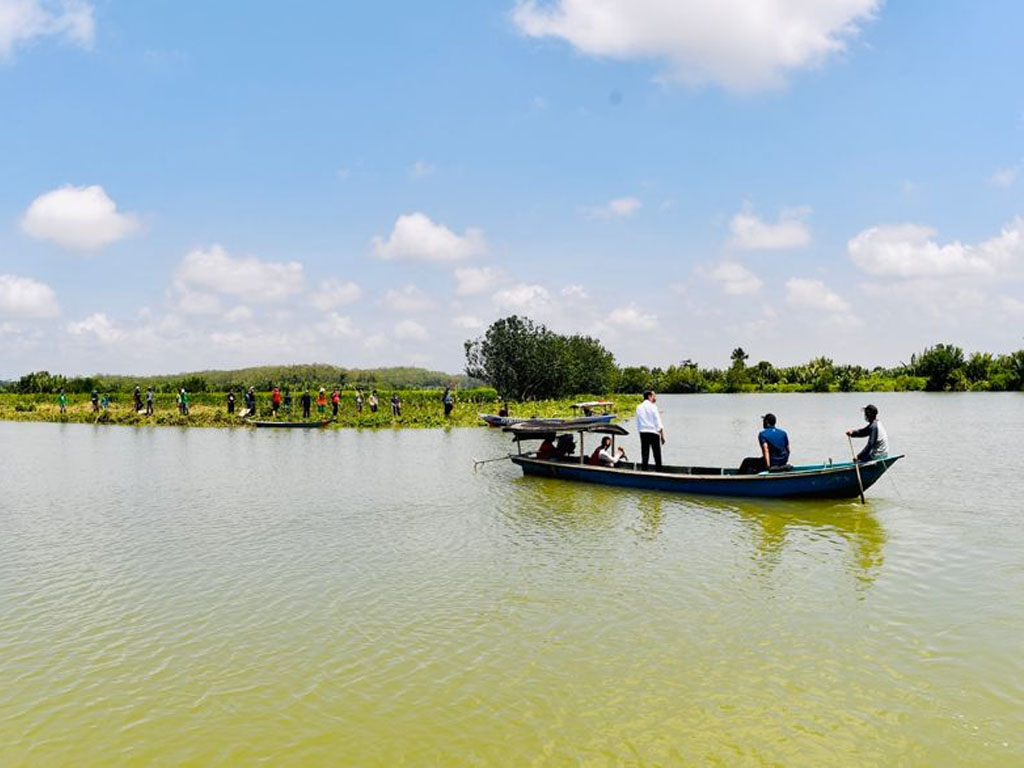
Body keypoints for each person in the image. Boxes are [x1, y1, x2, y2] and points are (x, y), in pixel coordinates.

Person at [635, 390, 665, 470]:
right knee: (657, 454)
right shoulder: (653, 407)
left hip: (643, 432)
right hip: (653, 432)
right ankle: (659, 470)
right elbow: (657, 421)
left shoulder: (639, 407)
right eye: (654, 396)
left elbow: (638, 421)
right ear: (649, 396)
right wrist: (662, 436)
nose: (655, 398)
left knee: (645, 453)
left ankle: (644, 470)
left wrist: (640, 431)